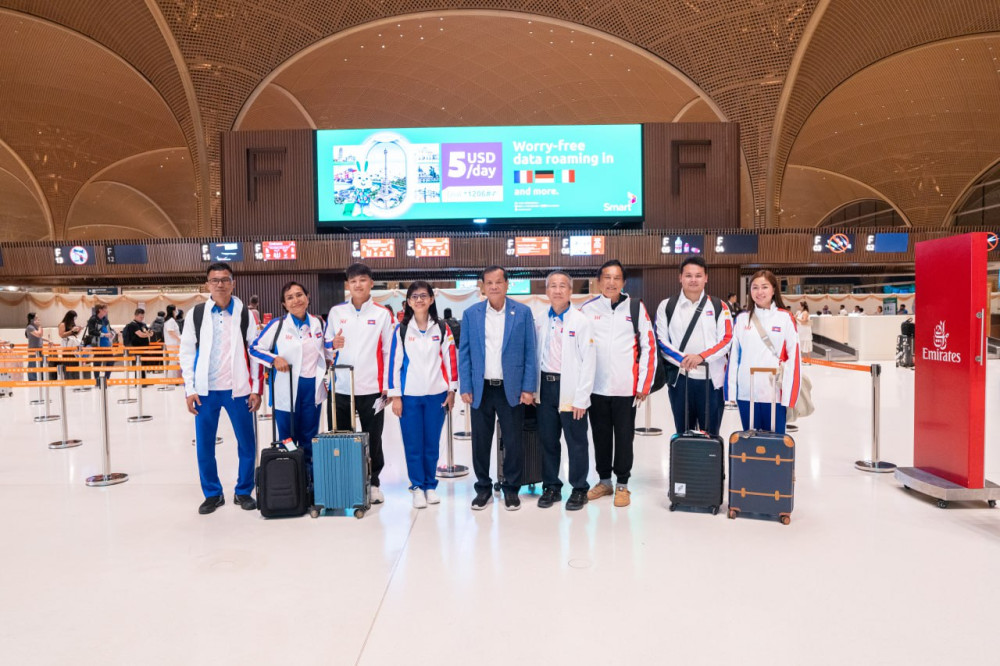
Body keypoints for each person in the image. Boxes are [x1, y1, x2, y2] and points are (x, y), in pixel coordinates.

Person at [179, 262, 263, 515]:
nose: (220, 284)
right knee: (204, 445)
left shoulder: (245, 314)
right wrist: (189, 388)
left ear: (233, 283)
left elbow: (255, 352)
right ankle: (212, 494)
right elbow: (186, 352)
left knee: (247, 443)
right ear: (207, 284)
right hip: (205, 391)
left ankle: (243, 491)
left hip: (238, 389)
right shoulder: (196, 314)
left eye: (225, 280)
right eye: (215, 280)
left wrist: (256, 388)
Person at [458, 265, 538, 511]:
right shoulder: (471, 314)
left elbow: (530, 352)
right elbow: (465, 353)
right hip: (480, 389)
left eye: (498, 282)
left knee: (513, 442)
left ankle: (511, 489)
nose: (493, 286)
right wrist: (465, 385)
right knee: (480, 443)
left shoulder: (522, 313)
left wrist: (528, 388)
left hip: (510, 389)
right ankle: (483, 488)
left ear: (507, 284)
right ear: (483, 286)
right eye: (489, 283)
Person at [580, 260, 656, 507]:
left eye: (616, 278)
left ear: (623, 282)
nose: (611, 282)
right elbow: (578, 348)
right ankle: (604, 481)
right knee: (600, 436)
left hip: (626, 388)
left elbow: (649, 345)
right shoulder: (587, 309)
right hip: (596, 388)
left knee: (624, 438)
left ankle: (622, 484)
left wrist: (643, 384)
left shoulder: (635, 307)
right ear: (599, 281)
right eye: (607, 277)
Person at [324, 263, 394, 505]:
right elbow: (325, 346)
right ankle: (345, 482)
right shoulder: (336, 312)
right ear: (348, 285)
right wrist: (332, 344)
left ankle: (373, 483)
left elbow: (388, 351)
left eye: (362, 280)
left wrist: (388, 385)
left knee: (373, 438)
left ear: (371, 283)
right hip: (340, 387)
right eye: (353, 281)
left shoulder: (382, 314)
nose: (358, 285)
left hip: (372, 388)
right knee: (340, 436)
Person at [387, 281, 458, 508]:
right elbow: (394, 364)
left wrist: (452, 389)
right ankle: (417, 486)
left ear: (431, 299)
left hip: (437, 395)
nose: (419, 300)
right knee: (413, 444)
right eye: (414, 296)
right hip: (410, 396)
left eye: (423, 296)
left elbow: (451, 359)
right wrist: (396, 396)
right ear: (408, 302)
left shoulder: (442, 328)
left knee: (432, 444)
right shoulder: (401, 330)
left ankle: (430, 486)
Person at [533, 271, 595, 511]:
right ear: (546, 290)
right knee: (548, 441)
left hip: (570, 389)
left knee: (576, 442)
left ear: (570, 291)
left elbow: (589, 362)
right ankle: (551, 486)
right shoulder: (540, 319)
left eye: (562, 286)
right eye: (553, 286)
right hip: (545, 388)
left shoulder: (581, 321)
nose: (557, 290)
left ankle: (579, 489)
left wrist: (582, 398)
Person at [251, 281, 327, 476]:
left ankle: (308, 480)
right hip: (285, 389)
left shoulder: (318, 323)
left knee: (310, 438)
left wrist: (333, 347)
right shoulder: (277, 325)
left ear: (307, 297)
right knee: (287, 440)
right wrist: (274, 359)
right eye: (290, 298)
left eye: (299, 295)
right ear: (284, 304)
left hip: (312, 389)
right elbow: (255, 349)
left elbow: (324, 349)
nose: (296, 300)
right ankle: (290, 480)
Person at [655, 256, 733, 437]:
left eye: (698, 275)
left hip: (712, 381)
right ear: (680, 277)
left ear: (706, 278)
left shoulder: (719, 306)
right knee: (683, 434)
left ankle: (710, 457)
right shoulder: (667, 306)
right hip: (680, 379)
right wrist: (683, 359)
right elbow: (661, 340)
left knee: (711, 435)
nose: (693, 280)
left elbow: (727, 339)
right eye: (688, 275)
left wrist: (701, 357)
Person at [726, 270, 801, 434]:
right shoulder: (741, 319)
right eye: (755, 287)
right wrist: (731, 391)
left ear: (774, 289)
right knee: (750, 441)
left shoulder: (785, 318)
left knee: (776, 443)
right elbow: (734, 357)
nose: (759, 292)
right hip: (746, 392)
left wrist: (790, 395)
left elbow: (794, 357)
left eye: (764, 287)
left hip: (774, 392)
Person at [123, 308, 154, 379]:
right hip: (137, 348)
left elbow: (150, 332)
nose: (142, 318)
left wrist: (149, 333)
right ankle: (138, 381)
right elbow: (140, 334)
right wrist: (148, 334)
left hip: (144, 347)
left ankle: (143, 380)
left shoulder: (143, 324)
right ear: (135, 316)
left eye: (143, 317)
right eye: (140, 317)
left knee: (144, 364)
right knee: (138, 365)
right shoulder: (132, 325)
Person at [25, 312, 46, 381]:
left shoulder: (35, 327)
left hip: (39, 348)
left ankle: (40, 377)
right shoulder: (30, 327)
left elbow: (40, 336)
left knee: (40, 363)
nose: (38, 319)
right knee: (33, 363)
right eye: (36, 318)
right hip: (33, 349)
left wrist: (48, 340)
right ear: (32, 319)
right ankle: (32, 379)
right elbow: (39, 335)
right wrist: (39, 326)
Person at [162, 305, 181, 379]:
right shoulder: (171, 321)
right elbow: (171, 332)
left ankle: (173, 377)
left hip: (172, 343)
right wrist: (179, 339)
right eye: (176, 310)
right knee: (173, 361)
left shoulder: (169, 320)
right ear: (173, 311)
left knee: (174, 361)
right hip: (173, 344)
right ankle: (171, 378)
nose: (177, 311)